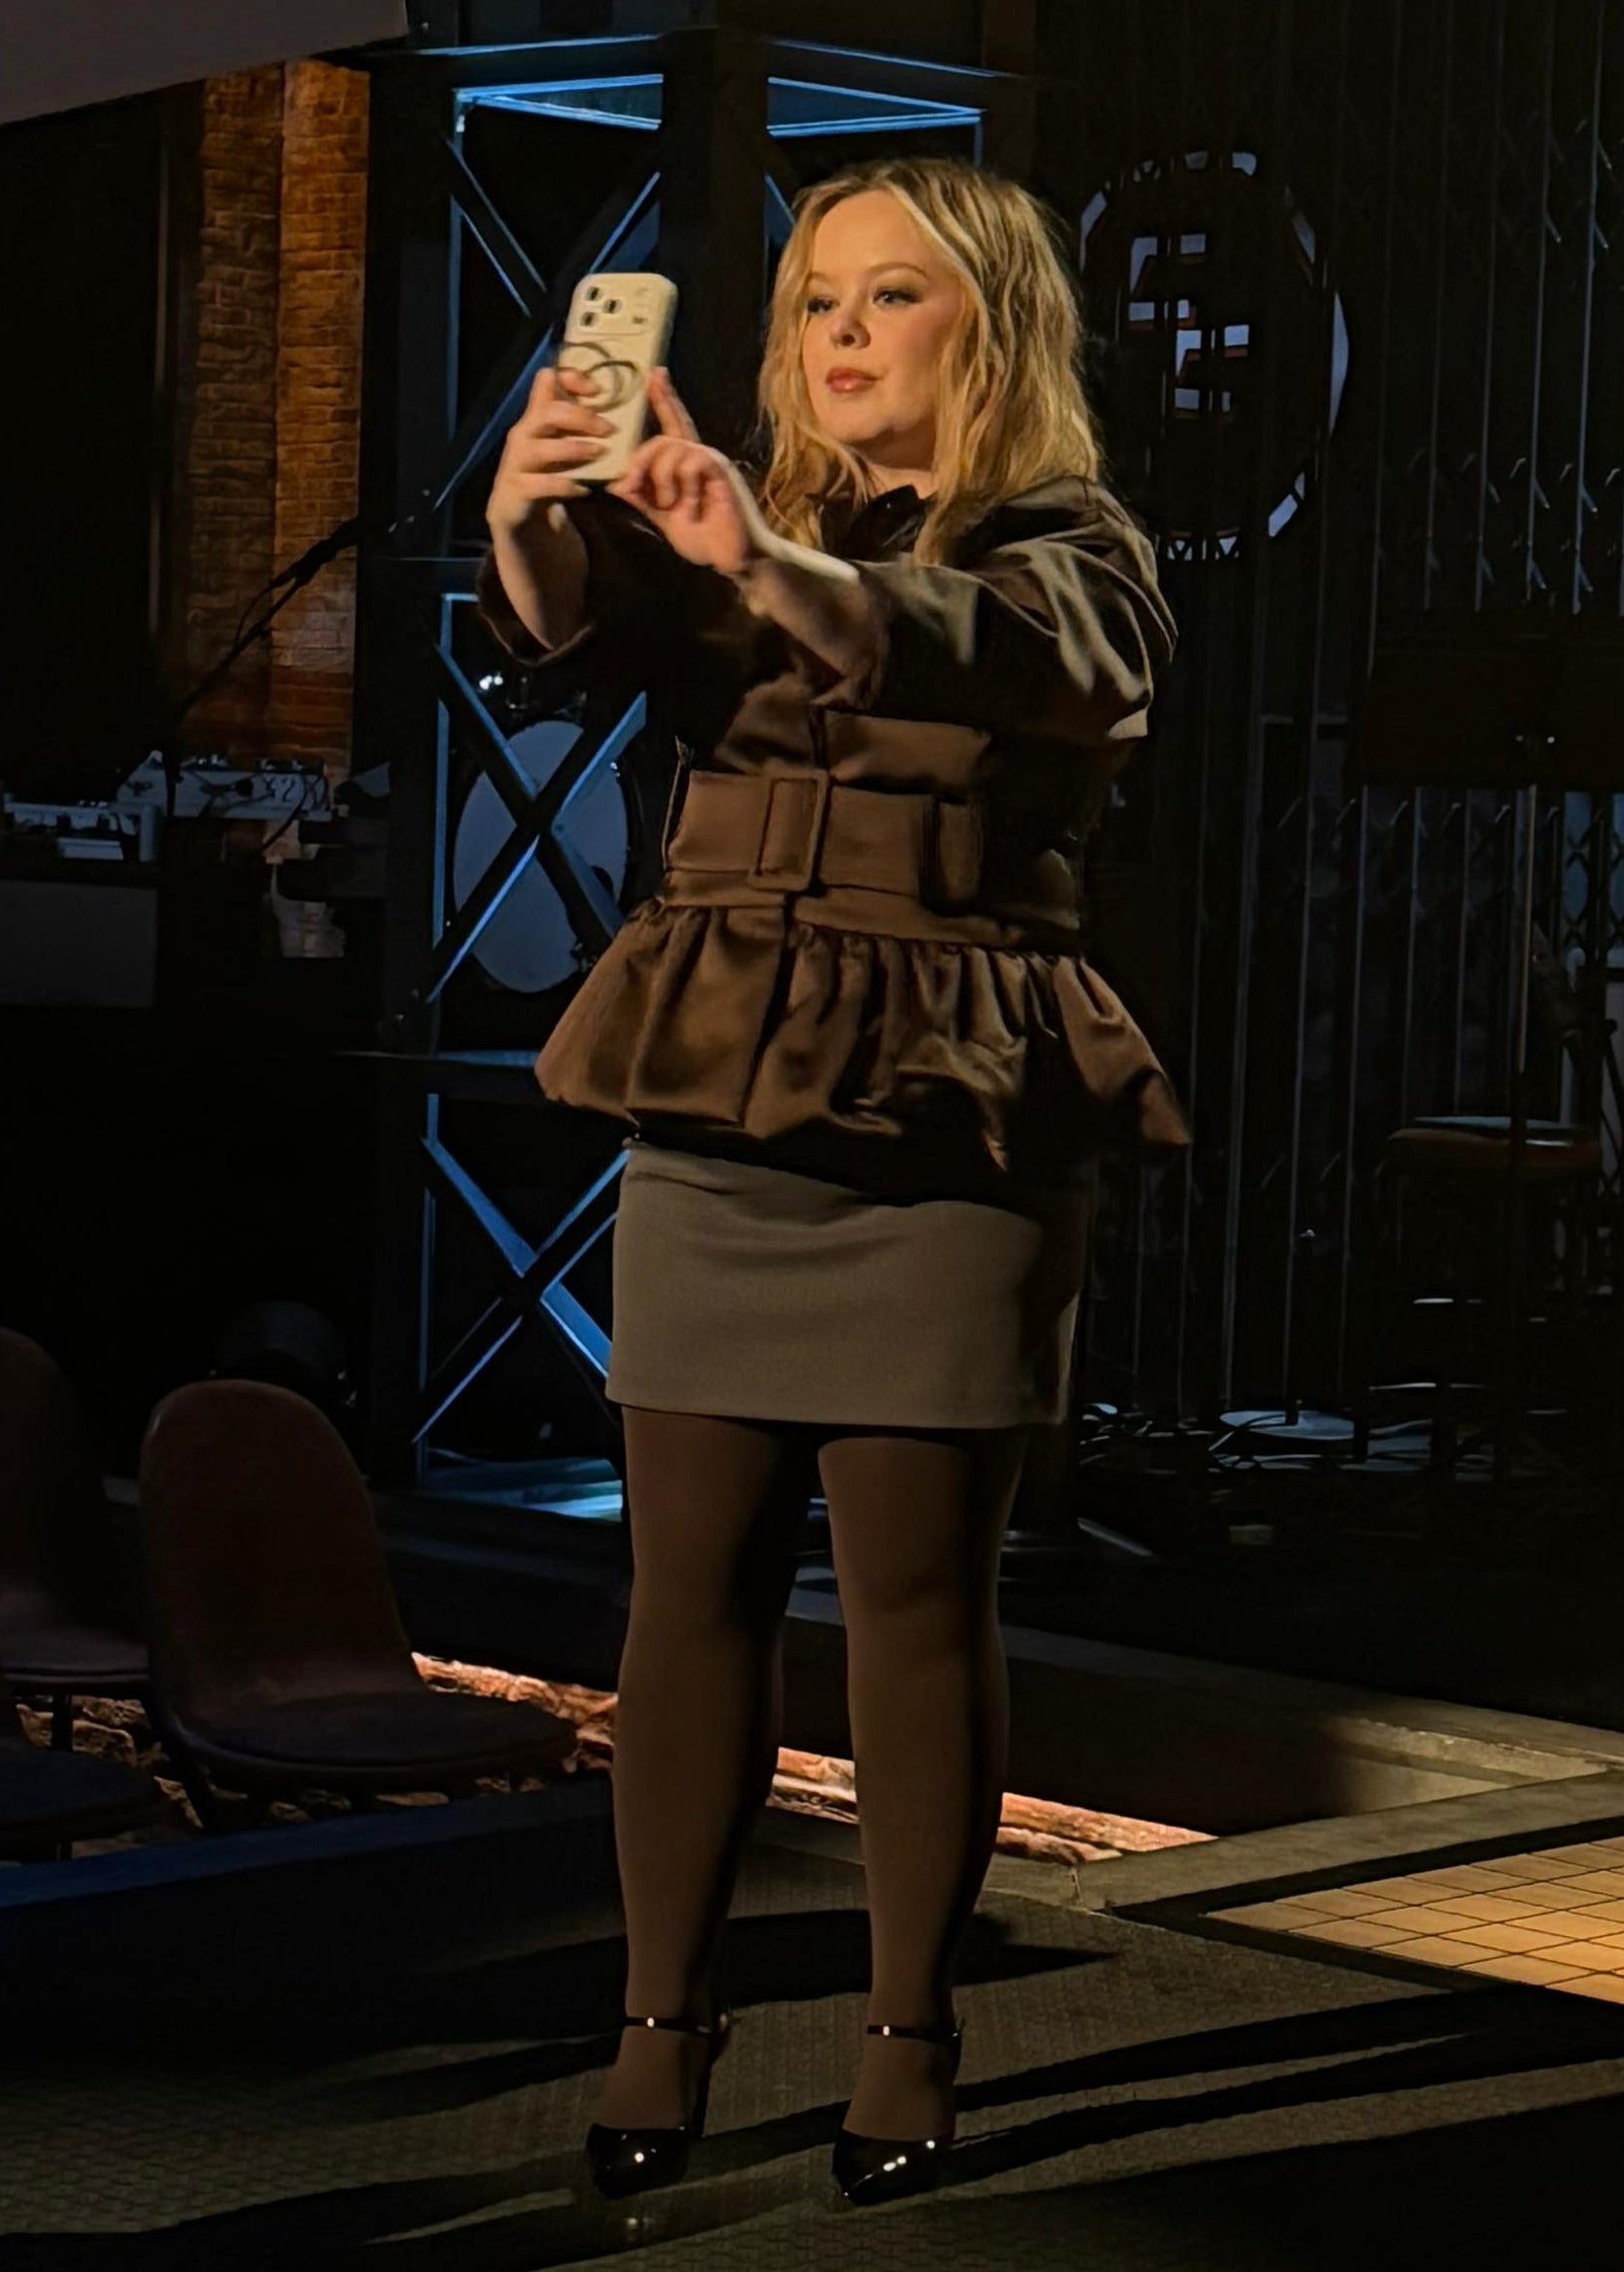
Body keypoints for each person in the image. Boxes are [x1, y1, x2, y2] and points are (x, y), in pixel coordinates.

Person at [478, 155, 1187, 2207]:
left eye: (888, 296)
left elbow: (995, 650)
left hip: (947, 1116)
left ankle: (908, 2028)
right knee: (681, 1587)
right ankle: (658, 2020)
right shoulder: (716, 525)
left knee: (904, 1599)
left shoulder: (1074, 544)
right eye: (810, 303)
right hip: (719, 1098)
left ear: (992, 322)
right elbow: (556, 617)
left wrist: (773, 561)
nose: (838, 333)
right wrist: (538, 503)